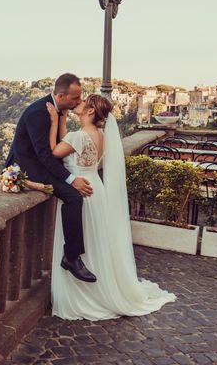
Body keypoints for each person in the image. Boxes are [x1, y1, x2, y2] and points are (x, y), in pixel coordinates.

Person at [46, 94, 176, 320]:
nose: (80, 103)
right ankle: (99, 290)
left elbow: (55, 151)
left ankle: (81, 296)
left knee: (83, 235)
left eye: (84, 102)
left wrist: (55, 121)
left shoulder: (79, 136)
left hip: (79, 189)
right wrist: (64, 118)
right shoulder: (101, 136)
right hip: (95, 188)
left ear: (89, 111)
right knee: (96, 241)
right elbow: (72, 144)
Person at [5, 73, 96, 283]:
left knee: (74, 196)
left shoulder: (59, 109)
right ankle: (71, 257)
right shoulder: (39, 112)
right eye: (75, 98)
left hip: (43, 162)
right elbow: (44, 155)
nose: (79, 102)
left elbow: (59, 145)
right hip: (31, 167)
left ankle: (72, 256)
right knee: (74, 197)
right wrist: (71, 179)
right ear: (61, 96)